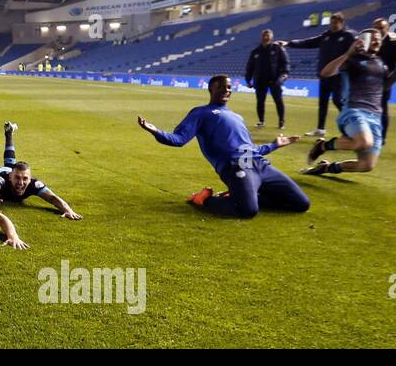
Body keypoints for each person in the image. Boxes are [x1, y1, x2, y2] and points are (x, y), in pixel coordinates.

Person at [137, 74, 310, 218]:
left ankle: (239, 195)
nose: (227, 90)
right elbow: (179, 139)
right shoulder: (201, 112)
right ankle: (204, 199)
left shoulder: (237, 117)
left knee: (301, 204)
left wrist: (274, 145)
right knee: (247, 211)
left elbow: (248, 148)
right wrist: (156, 131)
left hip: (259, 164)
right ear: (211, 89)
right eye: (222, 86)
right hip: (236, 167)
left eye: (229, 87)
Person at [302, 30, 396, 176]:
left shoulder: (381, 63)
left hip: (375, 116)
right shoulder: (352, 60)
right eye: (373, 39)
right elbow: (325, 73)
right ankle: (323, 146)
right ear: (363, 40)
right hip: (354, 110)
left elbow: (384, 87)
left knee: (367, 165)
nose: (377, 42)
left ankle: (328, 168)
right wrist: (347, 54)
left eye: (379, 40)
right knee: (364, 142)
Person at [0, 122, 81, 219]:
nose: (21, 182)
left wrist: (67, 210)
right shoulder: (0, 180)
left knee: (12, 166)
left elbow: (52, 197)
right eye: (17, 178)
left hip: (7, 170)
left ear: (30, 178)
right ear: (10, 177)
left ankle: (8, 134)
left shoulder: (32, 183)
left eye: (25, 178)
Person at [281, 12, 355, 137]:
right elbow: (308, 42)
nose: (333, 25)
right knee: (323, 102)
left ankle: (352, 126)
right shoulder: (326, 36)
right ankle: (320, 129)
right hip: (324, 74)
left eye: (336, 22)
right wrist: (289, 43)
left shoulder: (349, 36)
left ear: (342, 23)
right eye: (332, 22)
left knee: (338, 101)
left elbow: (356, 50)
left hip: (339, 74)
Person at [244, 29, 289, 130]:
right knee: (260, 101)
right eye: (264, 35)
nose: (265, 37)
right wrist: (248, 80)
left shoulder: (278, 49)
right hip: (260, 80)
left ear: (271, 37)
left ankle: (281, 121)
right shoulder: (255, 52)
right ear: (261, 37)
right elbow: (250, 67)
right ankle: (261, 121)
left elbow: (285, 62)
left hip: (275, 79)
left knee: (278, 101)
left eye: (267, 35)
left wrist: (285, 73)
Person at [372, 17, 396, 141]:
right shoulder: (368, 41)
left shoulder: (394, 42)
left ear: (387, 28)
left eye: (381, 28)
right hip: (368, 80)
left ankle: (382, 137)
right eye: (375, 28)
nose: (378, 30)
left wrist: (391, 73)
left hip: (385, 79)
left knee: (382, 108)